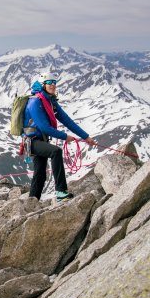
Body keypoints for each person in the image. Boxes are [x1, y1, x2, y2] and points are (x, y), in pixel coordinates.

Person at [23, 72, 97, 202]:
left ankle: (32, 201)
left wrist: (86, 137)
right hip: (32, 142)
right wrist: (65, 136)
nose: (53, 85)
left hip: (40, 141)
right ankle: (61, 192)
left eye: (54, 83)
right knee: (55, 152)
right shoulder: (35, 102)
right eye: (49, 83)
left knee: (40, 173)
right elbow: (45, 128)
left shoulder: (50, 101)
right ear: (42, 85)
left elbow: (67, 121)